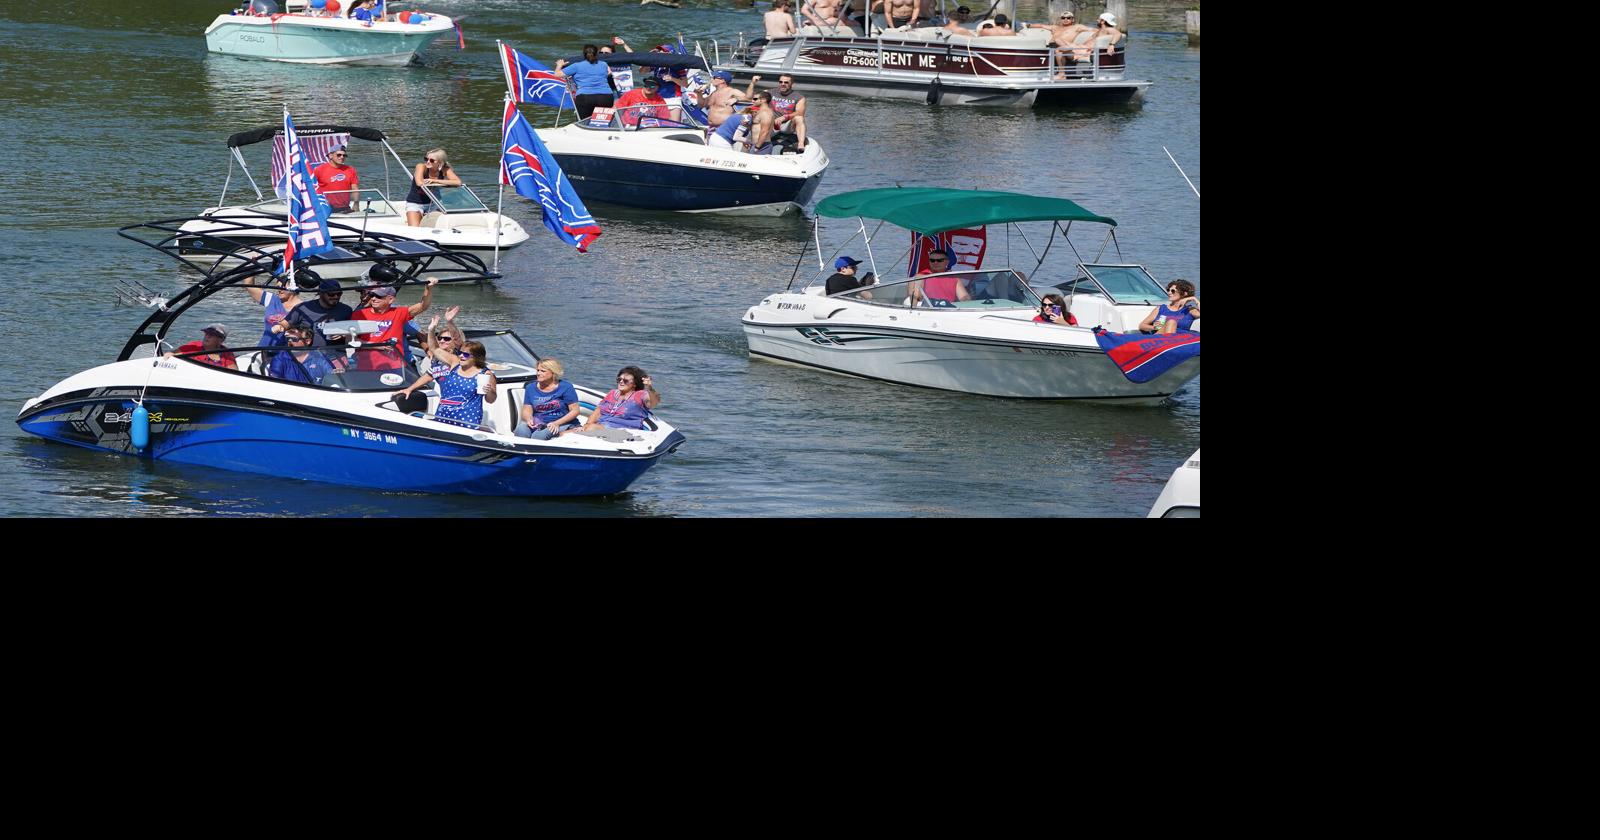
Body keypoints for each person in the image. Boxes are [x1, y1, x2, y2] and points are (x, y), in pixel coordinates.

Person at [393, 339, 497, 430]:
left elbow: (491, 400)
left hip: (467, 420)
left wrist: (489, 391)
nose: (461, 356)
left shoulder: (486, 374)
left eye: (465, 354)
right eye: (460, 353)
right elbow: (434, 349)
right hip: (443, 416)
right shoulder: (455, 364)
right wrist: (431, 329)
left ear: (476, 357)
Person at [351, 276, 437, 370]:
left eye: (379, 296)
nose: (374, 299)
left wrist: (428, 288)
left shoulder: (399, 313)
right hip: (366, 366)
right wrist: (379, 346)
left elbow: (423, 306)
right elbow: (352, 341)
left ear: (391, 299)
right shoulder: (358, 315)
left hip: (395, 366)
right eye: (372, 295)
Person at [563, 367, 660, 439]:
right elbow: (598, 411)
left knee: (591, 429)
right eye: (619, 379)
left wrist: (649, 387)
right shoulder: (613, 393)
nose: (621, 382)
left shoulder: (640, 395)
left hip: (623, 431)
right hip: (600, 428)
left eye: (625, 381)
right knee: (562, 434)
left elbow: (654, 402)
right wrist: (585, 425)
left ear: (634, 384)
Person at [515, 359, 582, 440]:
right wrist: (529, 419)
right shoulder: (530, 387)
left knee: (538, 436)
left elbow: (575, 411)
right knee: (521, 430)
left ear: (553, 373)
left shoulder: (566, 387)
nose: (538, 373)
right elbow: (526, 410)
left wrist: (556, 423)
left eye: (543, 371)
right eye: (538, 370)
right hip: (539, 422)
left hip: (562, 423)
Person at [246, 271, 309, 351]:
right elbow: (249, 285)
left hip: (288, 352)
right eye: (277, 287)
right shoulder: (272, 299)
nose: (278, 290)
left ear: (293, 286)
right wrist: (254, 266)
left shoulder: (304, 308)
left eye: (281, 287)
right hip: (265, 348)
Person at [286, 276, 355, 347]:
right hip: (311, 353)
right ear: (321, 293)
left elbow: (354, 334)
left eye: (339, 294)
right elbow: (284, 324)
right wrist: (280, 327)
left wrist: (344, 335)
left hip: (337, 354)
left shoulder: (346, 310)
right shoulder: (303, 308)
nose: (336, 297)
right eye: (331, 294)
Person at [556, 45, 617, 120]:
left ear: (584, 54)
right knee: (603, 122)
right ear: (596, 54)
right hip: (606, 97)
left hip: (586, 97)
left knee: (584, 122)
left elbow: (557, 74)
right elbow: (609, 72)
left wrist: (559, 65)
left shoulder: (576, 66)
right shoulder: (604, 64)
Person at [404, 149, 461, 227]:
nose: (428, 162)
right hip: (415, 203)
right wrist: (440, 182)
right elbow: (419, 182)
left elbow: (458, 182)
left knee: (440, 227)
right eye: (426, 159)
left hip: (434, 204)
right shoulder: (421, 166)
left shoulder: (445, 169)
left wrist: (434, 180)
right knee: (414, 229)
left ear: (440, 163)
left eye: (432, 160)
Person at [267, 323, 337, 384]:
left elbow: (332, 375)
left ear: (307, 341)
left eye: (294, 339)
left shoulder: (319, 358)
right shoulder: (280, 358)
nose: (290, 342)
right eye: (288, 339)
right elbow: (275, 383)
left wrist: (338, 373)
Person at [310, 144, 360, 213]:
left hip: (345, 208)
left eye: (344, 155)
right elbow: (311, 188)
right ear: (330, 156)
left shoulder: (350, 170)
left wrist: (356, 204)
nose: (342, 157)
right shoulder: (319, 170)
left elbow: (355, 189)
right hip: (325, 208)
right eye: (339, 155)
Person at [767, 74, 809, 152]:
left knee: (799, 118)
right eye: (781, 82)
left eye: (786, 82)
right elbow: (754, 98)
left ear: (792, 83)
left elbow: (800, 113)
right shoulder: (770, 92)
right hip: (772, 124)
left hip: (787, 126)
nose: (783, 84)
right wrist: (752, 83)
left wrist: (785, 117)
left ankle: (800, 144)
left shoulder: (799, 97)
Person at [421, 306, 465, 381]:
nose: (442, 341)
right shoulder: (435, 356)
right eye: (439, 338)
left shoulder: (459, 354)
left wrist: (450, 322)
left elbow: (457, 340)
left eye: (446, 339)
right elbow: (433, 347)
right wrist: (431, 330)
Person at [169, 323, 238, 369]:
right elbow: (172, 355)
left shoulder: (227, 353)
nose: (207, 336)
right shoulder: (194, 346)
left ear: (221, 340)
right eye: (206, 334)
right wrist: (170, 354)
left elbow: (234, 372)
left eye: (211, 335)